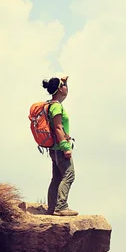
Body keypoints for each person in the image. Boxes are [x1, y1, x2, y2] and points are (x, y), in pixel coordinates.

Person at [42, 75, 78, 216]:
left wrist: (64, 80)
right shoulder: (56, 107)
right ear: (60, 90)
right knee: (69, 175)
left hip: (55, 149)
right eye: (64, 86)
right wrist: (66, 147)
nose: (67, 88)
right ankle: (61, 206)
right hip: (59, 149)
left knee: (57, 178)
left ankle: (52, 208)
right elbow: (58, 128)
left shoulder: (53, 105)